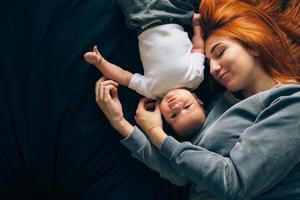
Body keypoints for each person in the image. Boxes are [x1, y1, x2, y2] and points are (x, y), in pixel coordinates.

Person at [95, 0, 300, 199]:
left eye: (220, 52)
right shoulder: (221, 104)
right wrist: (119, 121)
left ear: (253, 45)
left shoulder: (292, 102)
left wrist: (155, 132)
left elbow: (232, 183)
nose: (212, 69)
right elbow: (180, 172)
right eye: (209, 61)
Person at [84, 0, 207, 137]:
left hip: (142, 18)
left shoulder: (151, 90)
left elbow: (123, 76)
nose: (176, 106)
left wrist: (100, 62)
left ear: (162, 117)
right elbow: (198, 48)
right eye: (187, 107)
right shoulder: (195, 77)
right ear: (197, 99)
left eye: (173, 115)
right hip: (176, 14)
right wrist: (197, 27)